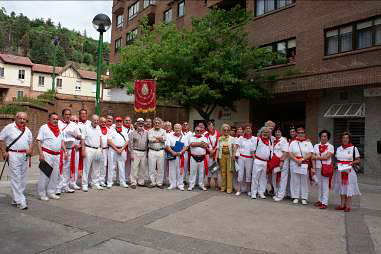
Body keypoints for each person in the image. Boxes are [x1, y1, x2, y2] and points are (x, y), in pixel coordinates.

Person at [0, 112, 33, 209]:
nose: (22, 121)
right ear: (16, 118)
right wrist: (3, 152)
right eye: (20, 118)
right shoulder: (9, 127)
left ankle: (16, 198)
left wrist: (30, 149)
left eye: (24, 119)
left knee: (23, 178)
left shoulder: (27, 130)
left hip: (24, 155)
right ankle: (20, 200)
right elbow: (1, 139)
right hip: (13, 154)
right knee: (16, 177)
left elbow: (30, 141)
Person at [37, 112, 67, 201]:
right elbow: (38, 141)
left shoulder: (59, 129)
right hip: (47, 154)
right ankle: (42, 193)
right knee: (45, 174)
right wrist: (41, 154)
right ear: (49, 119)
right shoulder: (44, 128)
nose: (55, 121)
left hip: (57, 155)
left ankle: (51, 192)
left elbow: (61, 141)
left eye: (57, 119)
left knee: (55, 175)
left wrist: (65, 150)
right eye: (53, 119)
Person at [57, 109, 83, 194]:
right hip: (61, 149)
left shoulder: (73, 125)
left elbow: (79, 135)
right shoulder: (59, 123)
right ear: (63, 115)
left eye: (69, 114)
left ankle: (66, 186)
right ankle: (58, 187)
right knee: (60, 168)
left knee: (68, 169)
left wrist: (77, 136)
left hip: (70, 149)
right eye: (66, 114)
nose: (67, 116)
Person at [334, 132, 361, 212]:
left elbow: (358, 160)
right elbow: (337, 159)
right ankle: (342, 205)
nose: (345, 139)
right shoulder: (339, 148)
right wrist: (336, 164)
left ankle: (348, 206)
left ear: (349, 139)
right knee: (342, 187)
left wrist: (352, 163)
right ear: (341, 139)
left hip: (349, 171)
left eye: (347, 138)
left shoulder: (353, 148)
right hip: (340, 171)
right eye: (343, 138)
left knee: (349, 187)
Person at [288, 127, 314, 205]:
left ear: (304, 134)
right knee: (295, 180)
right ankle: (295, 197)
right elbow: (290, 153)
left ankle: (304, 197)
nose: (300, 134)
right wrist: (296, 160)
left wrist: (302, 159)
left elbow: (310, 153)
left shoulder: (308, 143)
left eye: (302, 133)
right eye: (299, 133)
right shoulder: (293, 143)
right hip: (294, 162)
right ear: (297, 134)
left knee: (304, 181)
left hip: (304, 163)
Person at [312, 130, 334, 209]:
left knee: (325, 185)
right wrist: (313, 168)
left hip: (326, 168)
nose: (323, 138)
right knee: (320, 185)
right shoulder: (316, 146)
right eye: (322, 136)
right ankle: (320, 200)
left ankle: (325, 202)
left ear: (328, 137)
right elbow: (312, 158)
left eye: (325, 136)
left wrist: (316, 157)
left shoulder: (330, 146)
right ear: (320, 137)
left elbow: (327, 157)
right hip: (318, 168)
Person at [81, 114, 103, 191]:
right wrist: (83, 150)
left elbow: (100, 138)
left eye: (97, 120)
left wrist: (101, 148)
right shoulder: (86, 127)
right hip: (88, 149)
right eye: (95, 120)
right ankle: (84, 184)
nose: (96, 122)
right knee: (86, 168)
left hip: (97, 149)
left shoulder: (98, 128)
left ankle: (95, 183)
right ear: (91, 120)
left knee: (96, 168)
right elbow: (82, 139)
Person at [107, 116, 129, 188]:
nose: (119, 123)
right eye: (117, 121)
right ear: (115, 122)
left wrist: (121, 149)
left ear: (122, 122)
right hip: (113, 150)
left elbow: (127, 141)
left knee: (121, 166)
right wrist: (117, 149)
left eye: (120, 121)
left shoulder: (124, 130)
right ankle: (110, 182)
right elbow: (109, 141)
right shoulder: (111, 130)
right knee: (111, 166)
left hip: (122, 150)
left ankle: (122, 182)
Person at [165, 123, 188, 190]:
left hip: (181, 156)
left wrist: (180, 152)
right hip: (172, 155)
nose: (177, 129)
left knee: (180, 170)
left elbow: (186, 146)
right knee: (172, 170)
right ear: (174, 129)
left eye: (178, 128)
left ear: (181, 129)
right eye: (176, 128)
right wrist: (173, 152)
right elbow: (167, 146)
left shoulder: (184, 137)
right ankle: (172, 184)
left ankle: (180, 185)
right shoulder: (170, 136)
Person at [235, 124, 256, 196]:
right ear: (244, 130)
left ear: (251, 129)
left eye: (249, 128)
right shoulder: (240, 138)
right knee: (240, 174)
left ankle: (248, 190)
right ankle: (238, 190)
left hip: (250, 159)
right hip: (241, 158)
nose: (248, 129)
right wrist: (234, 155)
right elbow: (236, 147)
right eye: (246, 128)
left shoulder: (254, 138)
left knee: (248, 174)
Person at [251, 127, 272, 199]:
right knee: (255, 177)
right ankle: (254, 193)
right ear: (261, 133)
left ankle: (261, 192)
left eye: (267, 132)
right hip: (258, 161)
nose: (265, 133)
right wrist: (255, 159)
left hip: (266, 162)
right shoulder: (257, 140)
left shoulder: (270, 141)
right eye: (264, 132)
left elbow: (271, 152)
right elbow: (252, 151)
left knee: (263, 178)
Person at [188, 126, 210, 191]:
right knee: (192, 172)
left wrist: (197, 144)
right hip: (193, 157)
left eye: (200, 131)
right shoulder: (191, 137)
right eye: (197, 131)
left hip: (202, 157)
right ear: (195, 131)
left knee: (201, 172)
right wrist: (201, 143)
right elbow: (192, 144)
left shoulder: (205, 137)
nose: (199, 132)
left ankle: (201, 185)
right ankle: (191, 185)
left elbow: (206, 145)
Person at [128, 118, 148, 189]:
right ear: (136, 123)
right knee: (134, 168)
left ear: (144, 124)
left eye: (142, 123)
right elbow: (130, 144)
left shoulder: (147, 133)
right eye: (139, 122)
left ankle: (141, 182)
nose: (141, 124)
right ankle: (133, 182)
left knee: (142, 168)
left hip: (144, 152)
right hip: (135, 151)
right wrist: (131, 153)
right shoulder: (132, 133)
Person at [148, 117, 167, 188]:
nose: (157, 124)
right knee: (151, 167)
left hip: (161, 151)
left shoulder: (163, 131)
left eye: (158, 123)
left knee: (160, 168)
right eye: (155, 123)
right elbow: (150, 139)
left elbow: (164, 139)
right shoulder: (150, 131)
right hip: (152, 150)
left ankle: (159, 183)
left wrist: (155, 138)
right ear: (154, 123)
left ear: (160, 124)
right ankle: (152, 182)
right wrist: (160, 138)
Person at [271, 128, 289, 202]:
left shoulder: (284, 140)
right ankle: (276, 193)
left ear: (282, 133)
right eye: (276, 132)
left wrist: (282, 161)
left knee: (282, 179)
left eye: (279, 132)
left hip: (282, 161)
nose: (277, 133)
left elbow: (285, 152)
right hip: (274, 162)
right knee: (274, 178)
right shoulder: (273, 140)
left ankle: (281, 195)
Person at [217, 124, 234, 194]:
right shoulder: (220, 138)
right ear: (222, 131)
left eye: (227, 130)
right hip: (222, 156)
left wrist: (233, 155)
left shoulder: (232, 138)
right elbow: (218, 148)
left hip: (229, 156)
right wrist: (216, 157)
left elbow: (234, 148)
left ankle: (229, 188)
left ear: (229, 131)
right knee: (223, 172)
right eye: (224, 130)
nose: (226, 131)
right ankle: (223, 187)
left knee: (229, 172)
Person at [206, 121, 220, 190]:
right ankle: (208, 183)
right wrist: (210, 151)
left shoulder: (218, 134)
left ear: (214, 126)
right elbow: (205, 144)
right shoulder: (206, 135)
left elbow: (219, 145)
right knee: (209, 169)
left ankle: (216, 184)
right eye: (209, 126)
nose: (210, 127)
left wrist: (214, 151)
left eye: (211, 126)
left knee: (215, 169)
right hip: (209, 154)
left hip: (216, 154)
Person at [123, 116, 134, 184]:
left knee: (128, 165)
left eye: (129, 120)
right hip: (123, 148)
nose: (127, 122)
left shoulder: (132, 129)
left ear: (131, 121)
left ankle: (126, 178)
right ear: (124, 121)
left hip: (129, 149)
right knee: (121, 164)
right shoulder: (120, 128)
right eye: (126, 120)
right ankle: (120, 178)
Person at [99, 117, 109, 187]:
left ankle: (102, 180)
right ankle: (96, 180)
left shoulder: (109, 129)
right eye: (102, 122)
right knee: (97, 165)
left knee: (104, 166)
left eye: (105, 122)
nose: (103, 123)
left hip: (106, 150)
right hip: (99, 149)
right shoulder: (97, 129)